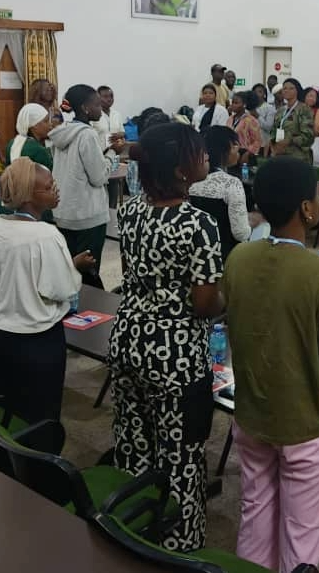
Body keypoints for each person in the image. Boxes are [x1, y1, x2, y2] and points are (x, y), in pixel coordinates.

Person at [223, 156, 319, 572]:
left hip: (252, 415)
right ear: (306, 208)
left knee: (255, 513)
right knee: (301, 535)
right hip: (308, 425)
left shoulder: (239, 257)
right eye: (316, 198)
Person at [108, 122, 223, 552]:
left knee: (133, 441)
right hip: (176, 356)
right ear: (180, 170)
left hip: (129, 337)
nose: (206, 157)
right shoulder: (199, 224)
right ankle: (179, 543)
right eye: (199, 152)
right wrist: (227, 297)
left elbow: (135, 275)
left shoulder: (131, 211)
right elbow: (204, 303)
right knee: (181, 454)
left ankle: (132, 531)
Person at [0, 159, 95, 424]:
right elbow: (62, 289)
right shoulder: (46, 235)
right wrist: (72, 267)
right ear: (29, 195)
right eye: (49, 186)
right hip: (34, 339)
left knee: (8, 409)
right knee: (41, 416)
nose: (56, 189)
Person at [49, 85, 108, 289]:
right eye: (97, 104)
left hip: (65, 212)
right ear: (85, 108)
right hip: (88, 216)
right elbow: (98, 177)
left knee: (70, 269)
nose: (101, 109)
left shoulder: (61, 132)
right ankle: (92, 306)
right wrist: (111, 156)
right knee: (89, 274)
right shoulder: (87, 134)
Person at [189, 125, 261, 245]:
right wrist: (251, 221)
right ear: (224, 149)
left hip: (196, 244)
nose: (238, 149)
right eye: (234, 145)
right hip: (223, 249)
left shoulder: (188, 179)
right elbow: (241, 233)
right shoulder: (230, 183)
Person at [271, 77, 315, 164]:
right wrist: (273, 146)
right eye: (284, 88)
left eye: (291, 88)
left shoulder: (304, 109)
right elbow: (273, 130)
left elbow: (308, 136)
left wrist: (289, 140)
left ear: (297, 91)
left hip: (298, 157)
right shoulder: (280, 110)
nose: (287, 91)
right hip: (280, 155)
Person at [6, 103, 54, 169]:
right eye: (46, 121)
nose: (50, 125)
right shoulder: (38, 150)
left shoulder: (12, 144)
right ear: (35, 125)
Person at [91, 85, 124, 159]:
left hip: (115, 154)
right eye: (105, 96)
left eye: (111, 96)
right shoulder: (93, 115)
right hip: (98, 155)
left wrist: (119, 135)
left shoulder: (117, 114)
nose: (109, 99)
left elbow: (122, 131)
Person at [229, 91, 262, 162]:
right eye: (232, 102)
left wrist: (248, 153)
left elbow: (257, 140)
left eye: (236, 103)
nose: (233, 105)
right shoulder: (230, 119)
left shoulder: (251, 120)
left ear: (244, 105)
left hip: (246, 153)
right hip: (232, 152)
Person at [252, 83, 275, 151]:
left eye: (260, 92)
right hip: (250, 144)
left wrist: (257, 116)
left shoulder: (270, 108)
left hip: (263, 145)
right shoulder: (249, 108)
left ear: (264, 95)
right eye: (255, 92)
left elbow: (269, 127)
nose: (256, 94)